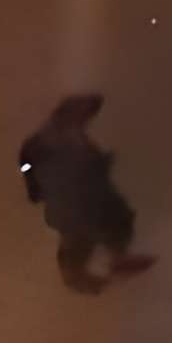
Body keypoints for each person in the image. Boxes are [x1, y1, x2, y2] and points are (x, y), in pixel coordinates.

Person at [18, 93, 154, 294]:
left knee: (103, 225)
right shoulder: (49, 138)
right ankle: (85, 273)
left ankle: (105, 265)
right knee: (82, 234)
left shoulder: (74, 138)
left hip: (84, 201)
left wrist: (100, 164)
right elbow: (28, 162)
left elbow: (88, 166)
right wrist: (33, 183)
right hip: (73, 202)